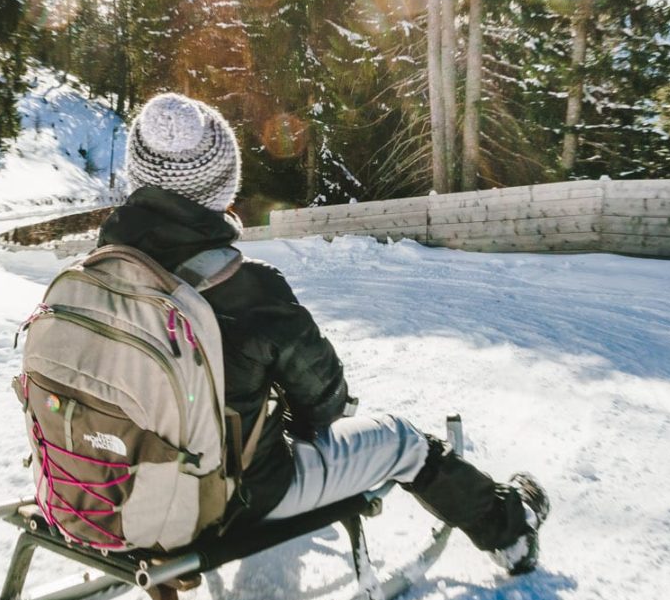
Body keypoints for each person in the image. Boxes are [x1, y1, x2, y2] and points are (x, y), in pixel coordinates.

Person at [98, 92, 550, 574]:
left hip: (109, 484)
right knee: (402, 441)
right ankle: (508, 526)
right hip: (228, 497)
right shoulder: (248, 288)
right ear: (222, 190)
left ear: (138, 181)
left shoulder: (97, 275)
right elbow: (327, 404)